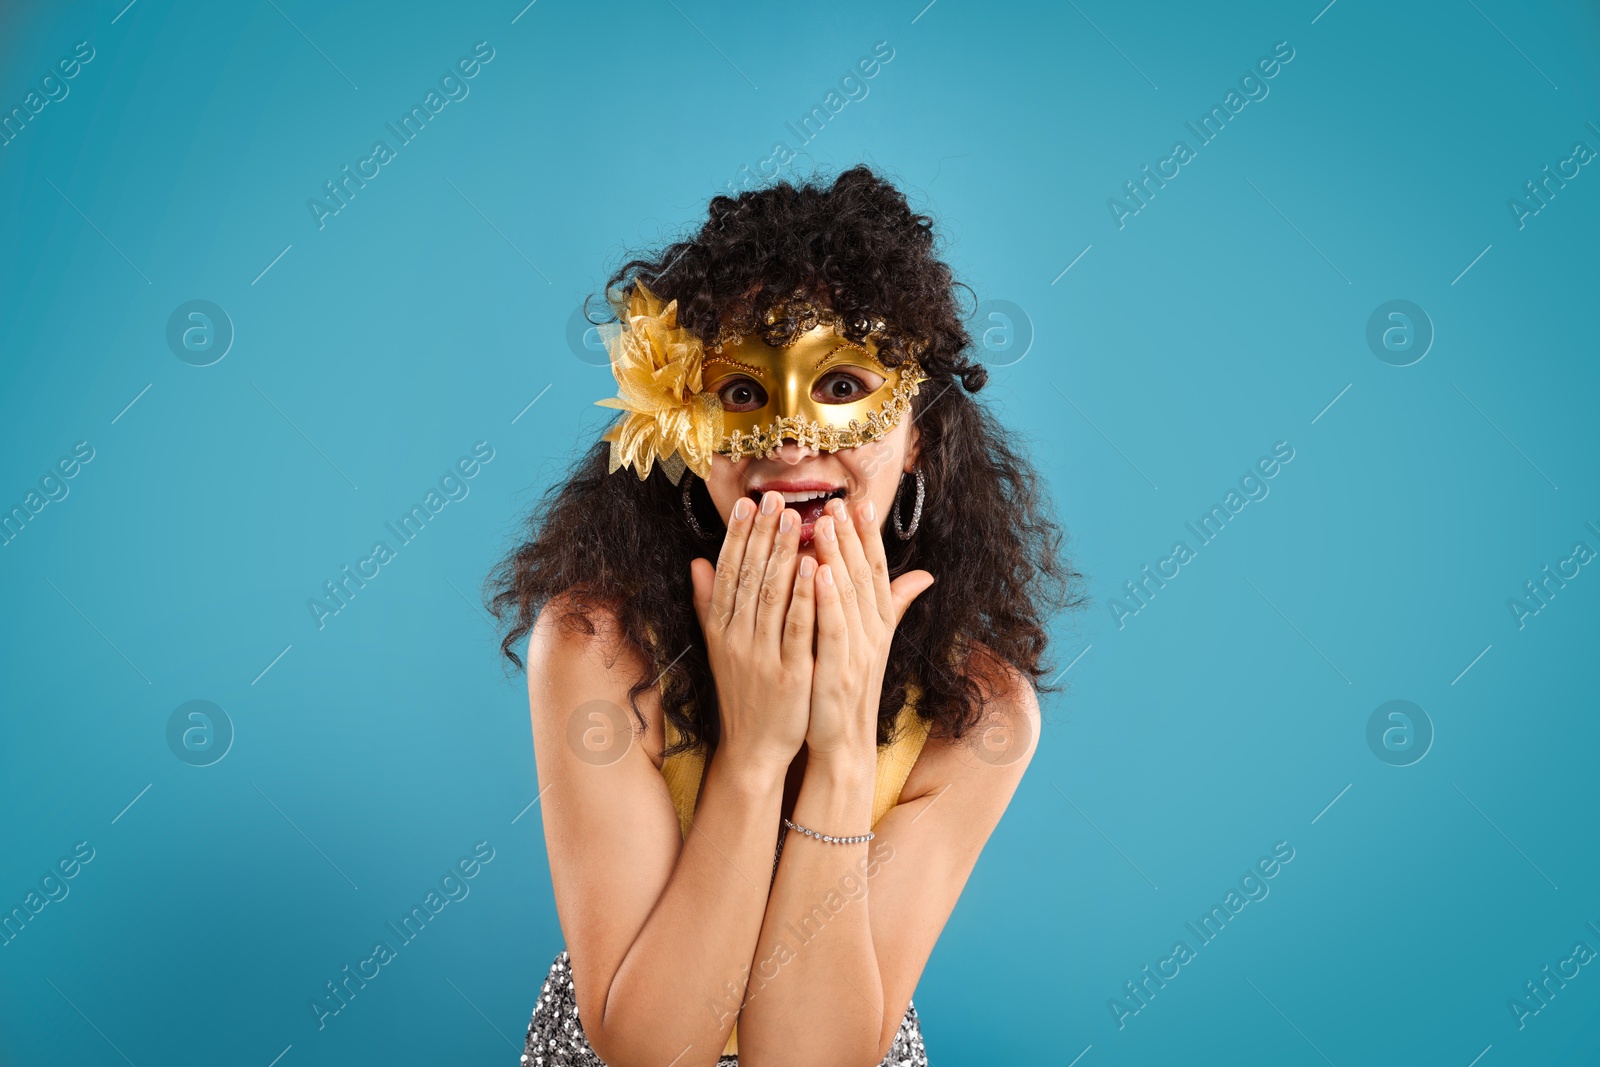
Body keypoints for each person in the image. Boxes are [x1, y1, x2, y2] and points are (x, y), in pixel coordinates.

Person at [489, 165, 1079, 1066]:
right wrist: (756, 753)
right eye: (740, 391)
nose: (791, 438)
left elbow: (815, 1057)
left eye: (842, 385)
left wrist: (843, 753)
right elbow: (652, 1047)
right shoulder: (594, 649)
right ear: (684, 430)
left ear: (918, 428)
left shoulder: (979, 711)